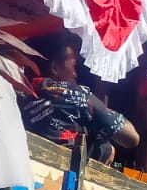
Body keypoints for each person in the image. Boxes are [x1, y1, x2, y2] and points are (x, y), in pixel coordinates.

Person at [22, 34, 140, 163]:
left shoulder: (14, 88)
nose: (75, 74)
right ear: (54, 68)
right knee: (107, 149)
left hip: (22, 161)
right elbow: (131, 138)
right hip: (62, 172)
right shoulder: (77, 94)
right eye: (73, 66)